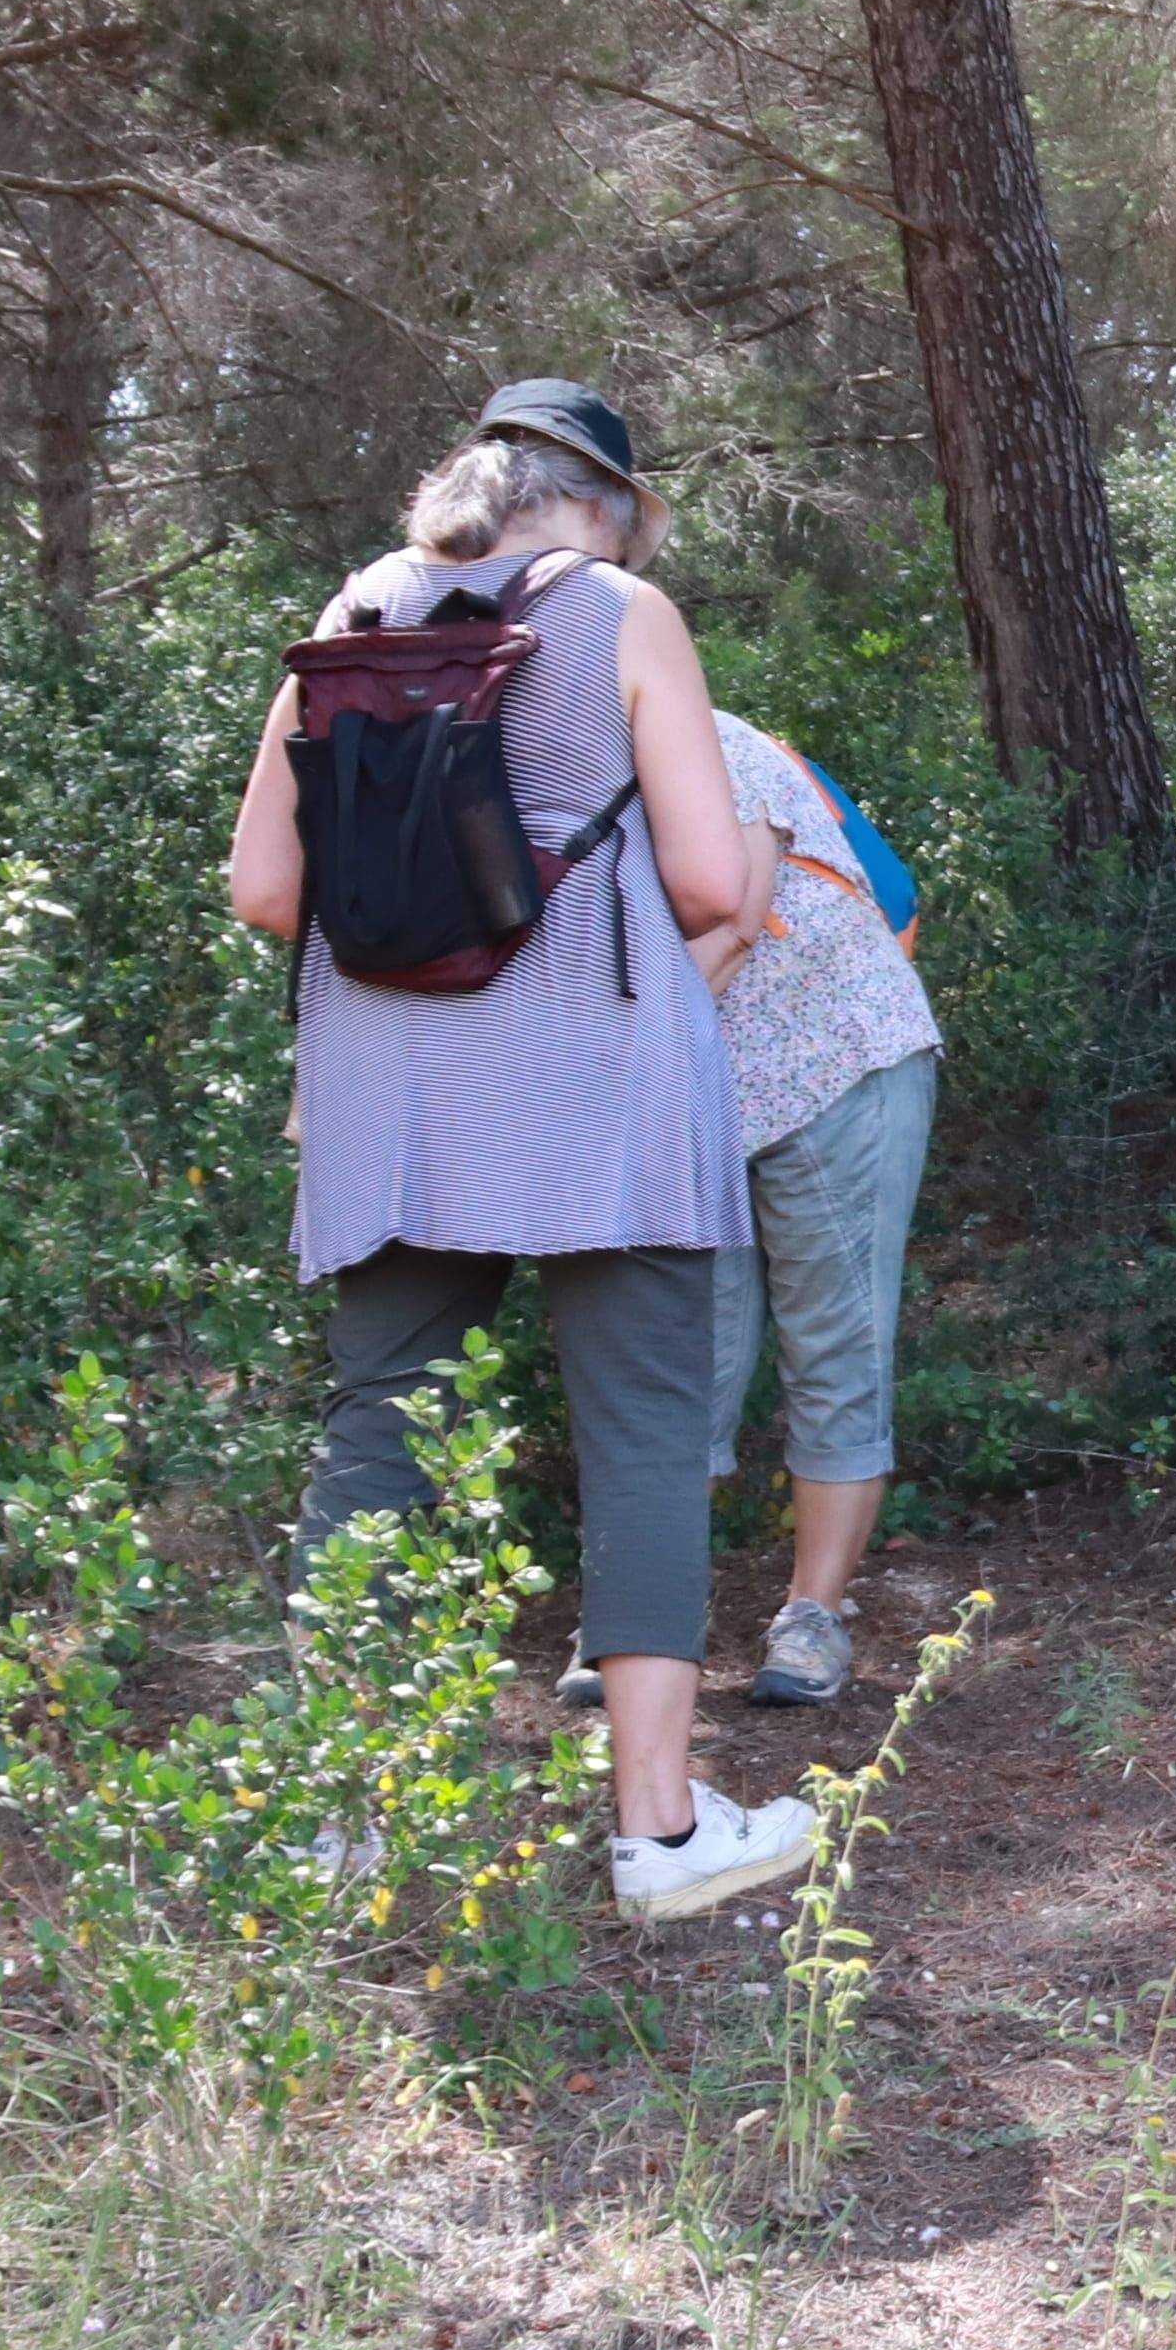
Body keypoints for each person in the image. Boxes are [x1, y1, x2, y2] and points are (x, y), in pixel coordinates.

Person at [224, 376, 823, 1924]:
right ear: (611, 503)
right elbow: (707, 880)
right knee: (636, 1430)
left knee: (379, 1427)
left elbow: (263, 890)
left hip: (389, 1089)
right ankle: (661, 1832)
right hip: (598, 1077)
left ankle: (334, 1825)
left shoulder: (354, 605)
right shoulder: (623, 609)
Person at [686, 706, 942, 1704]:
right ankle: (646, 1611)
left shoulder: (712, 744)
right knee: (674, 1351)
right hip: (691, 1092)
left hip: (836, 1064)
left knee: (834, 1339)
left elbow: (731, 927)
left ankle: (814, 1616)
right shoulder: (539, 761)